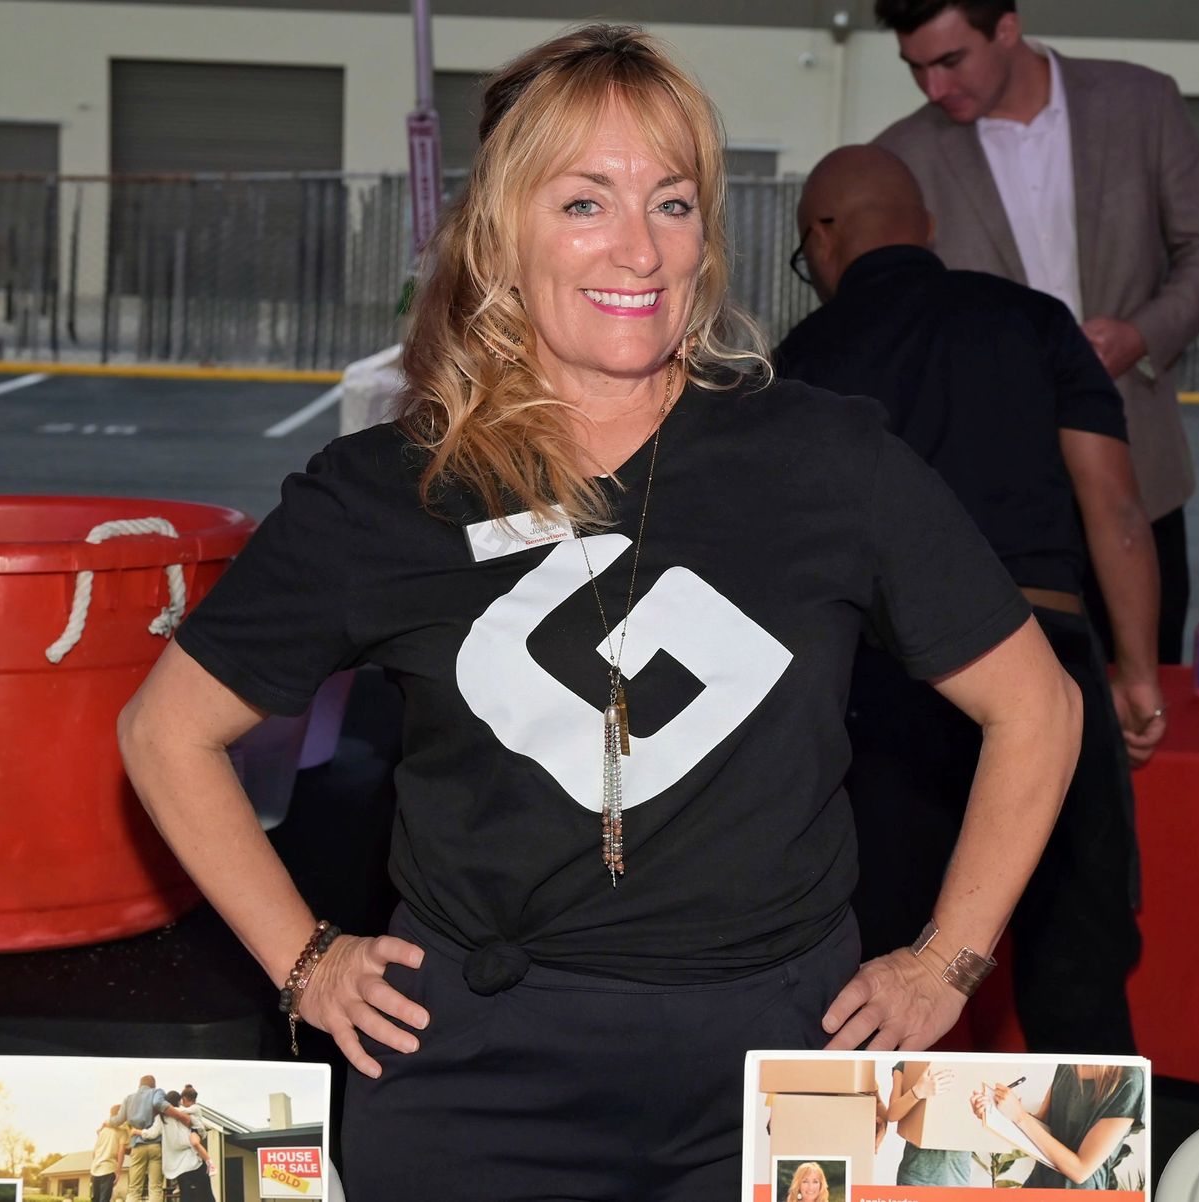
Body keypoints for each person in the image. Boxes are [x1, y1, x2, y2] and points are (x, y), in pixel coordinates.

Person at [119, 24, 1082, 1200]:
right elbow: (165, 731)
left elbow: (1039, 707)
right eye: (585, 202)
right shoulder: (391, 489)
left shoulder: (828, 458)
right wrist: (305, 958)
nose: (640, 246)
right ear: (501, 236)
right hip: (475, 1071)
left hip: (781, 1053)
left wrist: (947, 961)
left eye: (673, 203)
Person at [775, 145, 1158, 1053]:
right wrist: (1137, 673)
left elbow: (781, 559)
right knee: (1077, 968)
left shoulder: (800, 359)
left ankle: (864, 1147)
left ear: (822, 238)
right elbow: (1115, 509)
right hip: (1047, 657)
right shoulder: (1034, 320)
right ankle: (1087, 1146)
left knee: (872, 990)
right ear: (928, 228)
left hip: (880, 687)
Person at [871, 0, 1199, 664]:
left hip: (1139, 474)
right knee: (1007, 703)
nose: (934, 87)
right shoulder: (900, 156)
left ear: (1007, 29)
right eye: (915, 67)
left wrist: (1140, 335)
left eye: (950, 60)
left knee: (1144, 680)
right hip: (985, 501)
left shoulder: (1141, 103)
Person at [972, 1064, 1145, 1189]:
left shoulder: (1128, 1077)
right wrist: (995, 1112)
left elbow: (1081, 1170)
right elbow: (1040, 1126)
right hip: (1039, 1183)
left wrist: (1019, 1116)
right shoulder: (1067, 1065)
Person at [883, 1062, 967, 1186]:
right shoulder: (907, 1064)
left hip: (956, 1178)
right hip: (914, 1177)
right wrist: (918, 1091)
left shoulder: (972, 1066)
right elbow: (892, 1115)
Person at [120, 1075, 194, 1202]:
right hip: (156, 1147)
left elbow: (122, 1120)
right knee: (155, 1187)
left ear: (139, 1085)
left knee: (134, 1188)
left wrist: (135, 1131)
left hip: (138, 1146)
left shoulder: (131, 1100)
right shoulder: (161, 1104)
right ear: (153, 1086)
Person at [135, 1090, 214, 1202]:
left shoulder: (161, 1118)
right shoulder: (184, 1113)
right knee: (206, 1194)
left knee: (186, 1196)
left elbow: (151, 1134)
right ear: (178, 1101)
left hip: (178, 1165)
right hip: (192, 1159)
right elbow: (201, 1128)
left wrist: (136, 1131)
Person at [88, 1104, 127, 1202]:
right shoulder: (122, 1131)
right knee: (104, 1200)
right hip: (108, 1169)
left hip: (95, 1168)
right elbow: (121, 1151)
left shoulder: (103, 1130)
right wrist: (118, 1171)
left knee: (95, 1199)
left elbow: (94, 1152)